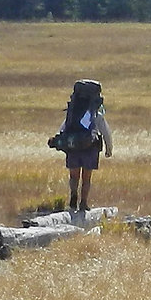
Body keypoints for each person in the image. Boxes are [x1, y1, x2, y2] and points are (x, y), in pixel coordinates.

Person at [57, 78, 112, 211]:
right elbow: (105, 131)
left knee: (73, 176)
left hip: (73, 146)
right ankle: (83, 203)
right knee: (86, 178)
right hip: (90, 148)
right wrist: (109, 148)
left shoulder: (72, 113)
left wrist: (62, 142)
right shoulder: (95, 114)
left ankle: (73, 197)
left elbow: (62, 129)